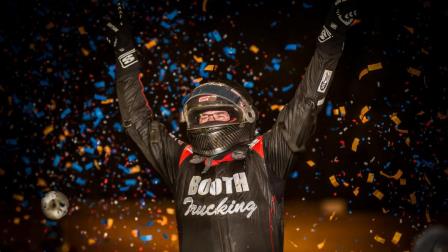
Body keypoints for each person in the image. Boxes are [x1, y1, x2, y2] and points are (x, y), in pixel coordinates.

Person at [106, 1, 358, 251]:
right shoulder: (181, 161)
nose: (209, 120)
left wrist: (332, 35)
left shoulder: (267, 153)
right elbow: (136, 120)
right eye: (202, 116)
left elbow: (308, 102)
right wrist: (125, 55)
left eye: (218, 114)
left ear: (244, 115)